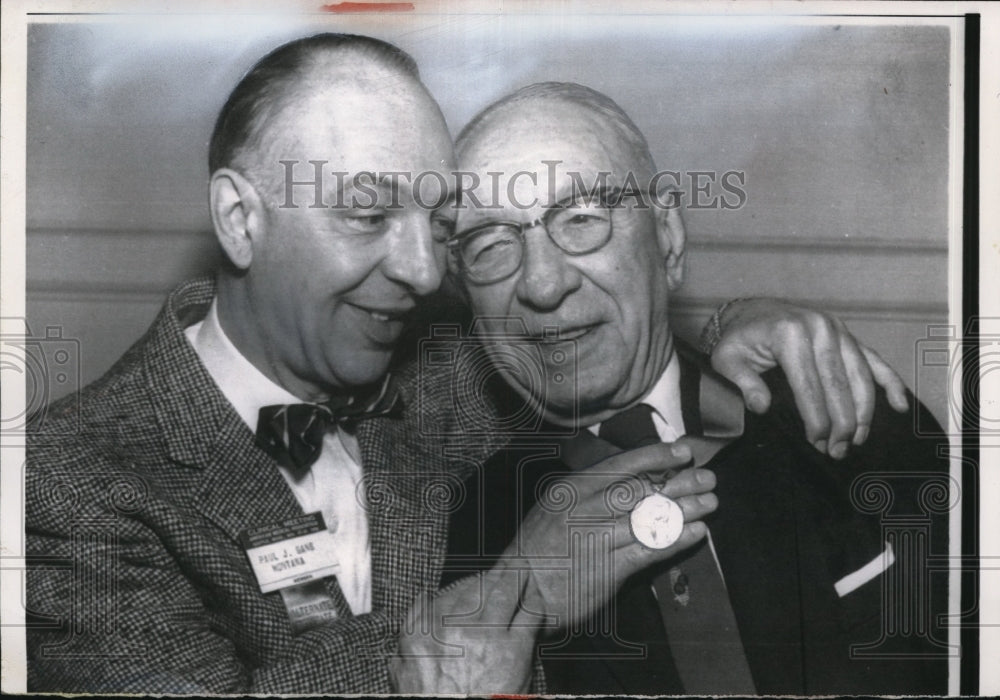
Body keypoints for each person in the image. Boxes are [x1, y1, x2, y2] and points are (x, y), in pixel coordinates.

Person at [26, 36, 911, 694]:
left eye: (440, 228)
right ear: (241, 220)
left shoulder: (435, 376)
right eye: (368, 215)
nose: (420, 272)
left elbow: (592, 333)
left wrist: (735, 321)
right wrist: (517, 589)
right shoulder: (68, 477)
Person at [393, 82, 951, 695]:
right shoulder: (476, 535)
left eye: (582, 219)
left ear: (668, 238)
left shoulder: (830, 404)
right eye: (492, 245)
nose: (544, 286)